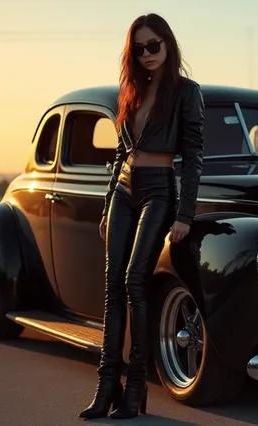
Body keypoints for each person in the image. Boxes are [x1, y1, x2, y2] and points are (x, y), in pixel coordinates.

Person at [79, 13, 204, 420]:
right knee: (112, 286)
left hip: (158, 190)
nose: (147, 54)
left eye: (154, 46)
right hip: (123, 189)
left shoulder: (187, 92)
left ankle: (135, 389)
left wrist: (185, 212)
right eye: (139, 48)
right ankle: (105, 387)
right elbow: (120, 153)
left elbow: (193, 156)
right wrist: (105, 206)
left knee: (135, 282)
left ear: (168, 45)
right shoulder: (129, 91)